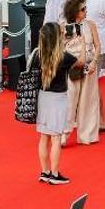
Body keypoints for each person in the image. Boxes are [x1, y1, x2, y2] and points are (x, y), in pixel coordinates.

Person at [34, 22, 77, 184]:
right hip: (58, 98)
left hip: (42, 97)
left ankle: (45, 172)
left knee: (44, 137)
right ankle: (54, 173)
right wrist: (70, 41)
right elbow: (80, 62)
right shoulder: (64, 57)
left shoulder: (38, 55)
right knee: (56, 137)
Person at [62, 0, 103, 144]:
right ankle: (64, 133)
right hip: (71, 67)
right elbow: (60, 48)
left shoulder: (90, 24)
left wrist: (94, 62)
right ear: (74, 11)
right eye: (83, 9)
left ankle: (87, 135)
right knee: (69, 99)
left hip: (89, 66)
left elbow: (98, 45)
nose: (86, 11)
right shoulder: (63, 25)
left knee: (89, 100)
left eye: (85, 8)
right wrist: (70, 62)